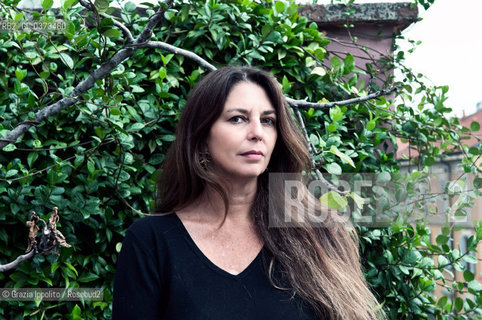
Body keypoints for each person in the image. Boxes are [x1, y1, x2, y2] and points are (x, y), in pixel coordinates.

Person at [112, 66, 384, 319]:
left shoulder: (320, 232)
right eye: (238, 119)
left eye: (268, 121)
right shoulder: (152, 241)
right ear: (201, 136)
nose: (257, 133)